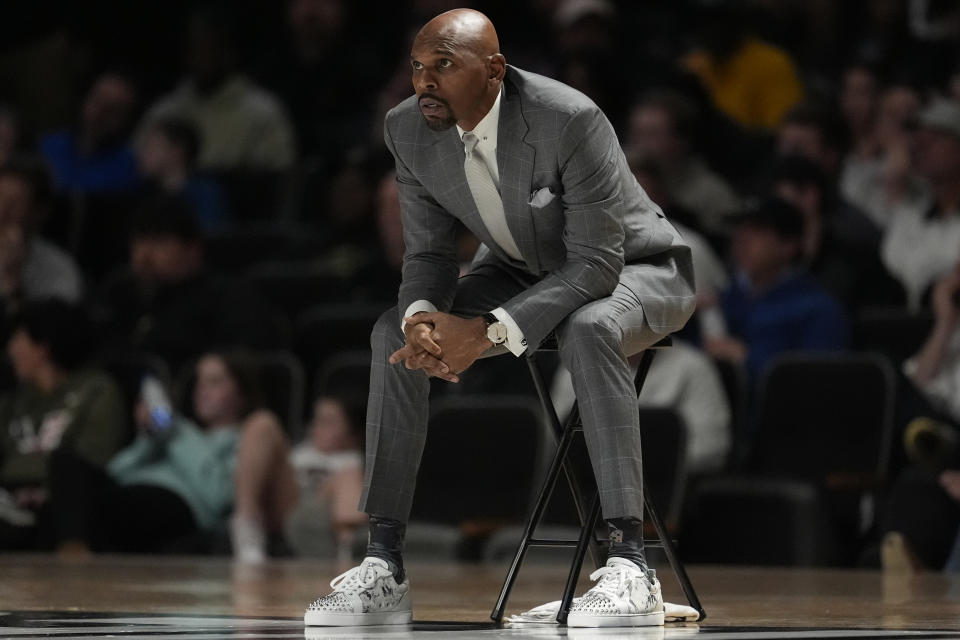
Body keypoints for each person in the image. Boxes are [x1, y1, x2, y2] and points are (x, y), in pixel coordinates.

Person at [305, 9, 695, 629]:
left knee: (590, 326)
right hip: (523, 267)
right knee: (392, 333)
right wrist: (422, 318)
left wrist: (488, 331)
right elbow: (430, 254)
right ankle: (383, 564)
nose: (423, 82)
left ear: (493, 71)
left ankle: (631, 565)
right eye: (416, 68)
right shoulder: (405, 129)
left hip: (637, 267)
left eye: (443, 66)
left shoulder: (568, 117)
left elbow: (595, 264)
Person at [56, 351, 298, 562]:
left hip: (179, 508)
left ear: (242, 392)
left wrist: (177, 434)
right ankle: (73, 552)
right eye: (200, 381)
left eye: (215, 382)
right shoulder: (172, 433)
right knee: (65, 463)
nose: (202, 390)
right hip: (130, 496)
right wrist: (148, 439)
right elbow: (116, 473)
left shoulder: (248, 439)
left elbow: (218, 496)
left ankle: (75, 560)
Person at [90, 195, 284, 370]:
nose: (144, 256)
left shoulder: (228, 299)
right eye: (139, 242)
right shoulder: (120, 294)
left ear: (193, 250)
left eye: (160, 242)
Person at [0, 300, 126, 552]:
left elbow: (93, 458)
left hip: (68, 501)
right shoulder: (14, 401)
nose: (10, 349)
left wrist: (41, 487)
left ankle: (74, 565)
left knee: (66, 469)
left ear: (43, 348)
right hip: (10, 500)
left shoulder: (96, 390)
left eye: (18, 340)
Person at [704, 196, 849, 382]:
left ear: (788, 245)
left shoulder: (819, 310)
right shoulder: (723, 300)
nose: (742, 239)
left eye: (758, 231)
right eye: (739, 229)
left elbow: (817, 383)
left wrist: (745, 357)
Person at [138, 6, 295, 172]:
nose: (199, 56)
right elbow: (133, 172)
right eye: (194, 45)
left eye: (207, 45)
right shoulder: (164, 113)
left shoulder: (263, 115)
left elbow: (278, 180)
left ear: (229, 52)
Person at [625, 90, 740, 236]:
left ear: (681, 141)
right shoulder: (615, 183)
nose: (639, 145)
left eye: (651, 135)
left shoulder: (712, 194)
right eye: (636, 134)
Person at [881, 99, 960, 310]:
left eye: (936, 137)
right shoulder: (908, 216)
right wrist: (894, 182)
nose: (920, 146)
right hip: (912, 333)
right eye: (918, 139)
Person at [0, 158, 83, 325]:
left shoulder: (59, 270)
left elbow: (51, 334)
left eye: (14, 203)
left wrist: (12, 278)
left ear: (39, 211)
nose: (2, 210)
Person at [286, 393, 366, 560]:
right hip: (292, 503)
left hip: (327, 510)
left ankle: (348, 548)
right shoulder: (299, 453)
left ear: (352, 432)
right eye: (316, 420)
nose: (317, 427)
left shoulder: (352, 461)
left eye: (328, 422)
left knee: (349, 477)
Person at [39, 71, 140, 194]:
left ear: (125, 119)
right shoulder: (50, 145)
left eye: (112, 110)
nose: (100, 114)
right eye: (97, 101)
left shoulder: (127, 168)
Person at [136, 117, 226, 231]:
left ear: (176, 152)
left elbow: (210, 235)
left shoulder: (206, 193)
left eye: (150, 146)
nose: (141, 154)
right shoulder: (144, 195)